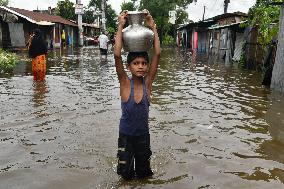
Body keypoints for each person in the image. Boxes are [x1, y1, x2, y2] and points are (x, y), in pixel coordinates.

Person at [114, 10, 161, 180]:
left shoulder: (148, 84)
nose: (140, 66)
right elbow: (117, 54)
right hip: (126, 136)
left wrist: (152, 26)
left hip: (143, 136)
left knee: (144, 175)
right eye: (136, 63)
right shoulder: (125, 83)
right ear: (129, 67)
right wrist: (121, 25)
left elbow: (157, 53)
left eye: (143, 63)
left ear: (147, 66)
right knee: (125, 176)